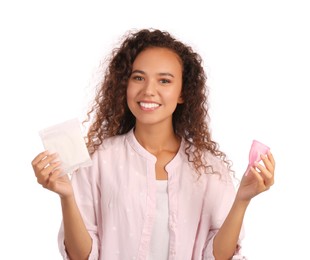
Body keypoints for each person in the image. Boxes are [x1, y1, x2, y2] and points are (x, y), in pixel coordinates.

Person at [31, 29, 275, 260]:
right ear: (124, 85)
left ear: (182, 93)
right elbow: (81, 255)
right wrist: (66, 196)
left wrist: (243, 199)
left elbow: (217, 255)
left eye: (165, 81)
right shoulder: (100, 160)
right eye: (138, 77)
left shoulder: (208, 168)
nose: (149, 91)